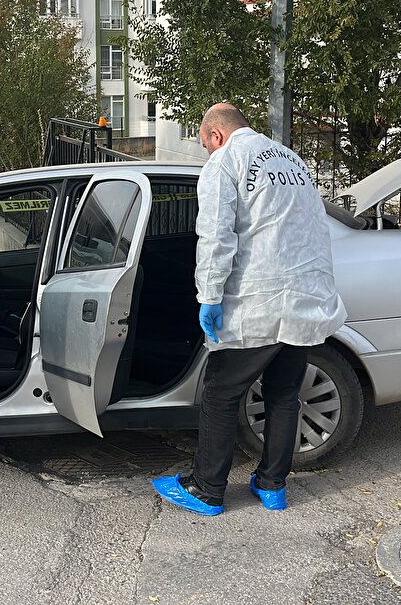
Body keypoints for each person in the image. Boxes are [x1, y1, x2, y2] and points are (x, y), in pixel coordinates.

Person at [151, 103, 347, 515]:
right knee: (284, 395)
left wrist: (209, 295)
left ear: (216, 136)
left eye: (206, 145)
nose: (208, 152)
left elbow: (216, 235)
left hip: (257, 302)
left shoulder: (226, 162)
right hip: (304, 301)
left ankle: (207, 489)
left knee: (221, 394)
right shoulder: (293, 161)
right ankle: (273, 485)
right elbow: (313, 229)